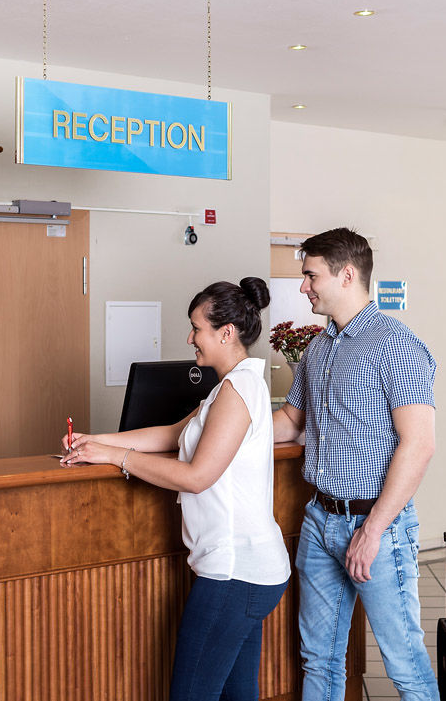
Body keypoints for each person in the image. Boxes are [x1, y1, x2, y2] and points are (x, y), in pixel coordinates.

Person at [62, 278, 290, 701]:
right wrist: (96, 442)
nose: (190, 338)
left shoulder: (238, 391)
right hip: (246, 570)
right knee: (238, 694)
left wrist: (118, 459)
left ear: (225, 332)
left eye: (196, 328)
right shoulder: (229, 388)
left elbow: (197, 476)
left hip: (235, 571)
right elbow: (171, 435)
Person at [272, 228, 438, 701]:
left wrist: (372, 531)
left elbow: (419, 444)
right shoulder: (319, 348)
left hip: (378, 529)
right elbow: (290, 421)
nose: (303, 286)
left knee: (404, 664)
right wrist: (219, 432)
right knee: (320, 661)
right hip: (320, 520)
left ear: (346, 275)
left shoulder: (396, 343)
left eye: (310, 275)